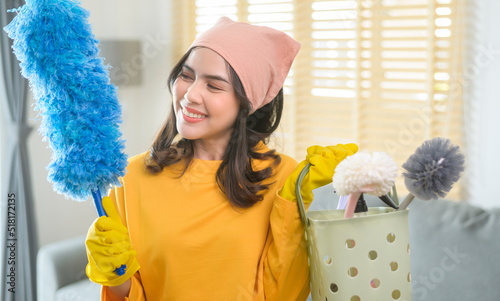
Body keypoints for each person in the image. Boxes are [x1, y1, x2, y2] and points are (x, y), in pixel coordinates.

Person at [85, 17, 358, 300]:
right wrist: (115, 276)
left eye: (214, 87)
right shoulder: (131, 176)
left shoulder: (283, 177)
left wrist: (291, 204)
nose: (190, 95)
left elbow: (283, 294)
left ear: (247, 103)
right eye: (187, 76)